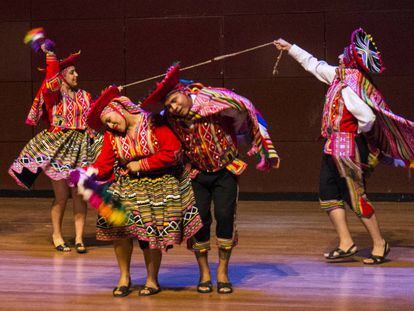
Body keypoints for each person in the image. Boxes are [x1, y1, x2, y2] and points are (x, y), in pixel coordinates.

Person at [274, 28, 414, 264]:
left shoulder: (351, 85)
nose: (339, 55)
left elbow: (367, 118)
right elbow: (314, 65)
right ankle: (346, 242)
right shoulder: (340, 76)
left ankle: (380, 243)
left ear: (350, 59)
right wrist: (290, 48)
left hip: (347, 147)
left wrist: (360, 138)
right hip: (332, 146)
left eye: (343, 53)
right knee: (328, 193)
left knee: (355, 196)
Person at [139, 64, 280, 294]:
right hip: (196, 173)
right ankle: (204, 272)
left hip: (225, 170)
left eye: (174, 101)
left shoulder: (213, 103)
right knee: (200, 222)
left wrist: (251, 140)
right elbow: (150, 131)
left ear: (184, 92)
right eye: (168, 105)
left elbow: (243, 108)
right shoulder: (170, 120)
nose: (173, 107)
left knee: (225, 217)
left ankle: (222, 271)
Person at [80, 85, 202, 297]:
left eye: (110, 119)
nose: (110, 125)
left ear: (122, 109)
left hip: (158, 183)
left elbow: (172, 152)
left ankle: (152, 280)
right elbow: (105, 163)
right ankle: (124, 277)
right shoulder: (111, 135)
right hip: (127, 183)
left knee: (148, 232)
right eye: (106, 123)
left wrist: (142, 164)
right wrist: (88, 173)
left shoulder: (154, 122)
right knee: (118, 227)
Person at [9, 43, 102, 253]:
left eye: (76, 71)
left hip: (80, 149)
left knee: (79, 195)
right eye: (72, 72)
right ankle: (57, 235)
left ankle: (79, 238)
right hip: (59, 148)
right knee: (61, 196)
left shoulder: (85, 95)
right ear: (61, 76)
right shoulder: (53, 94)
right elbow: (49, 82)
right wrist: (50, 57)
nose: (76, 75)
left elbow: (95, 115)